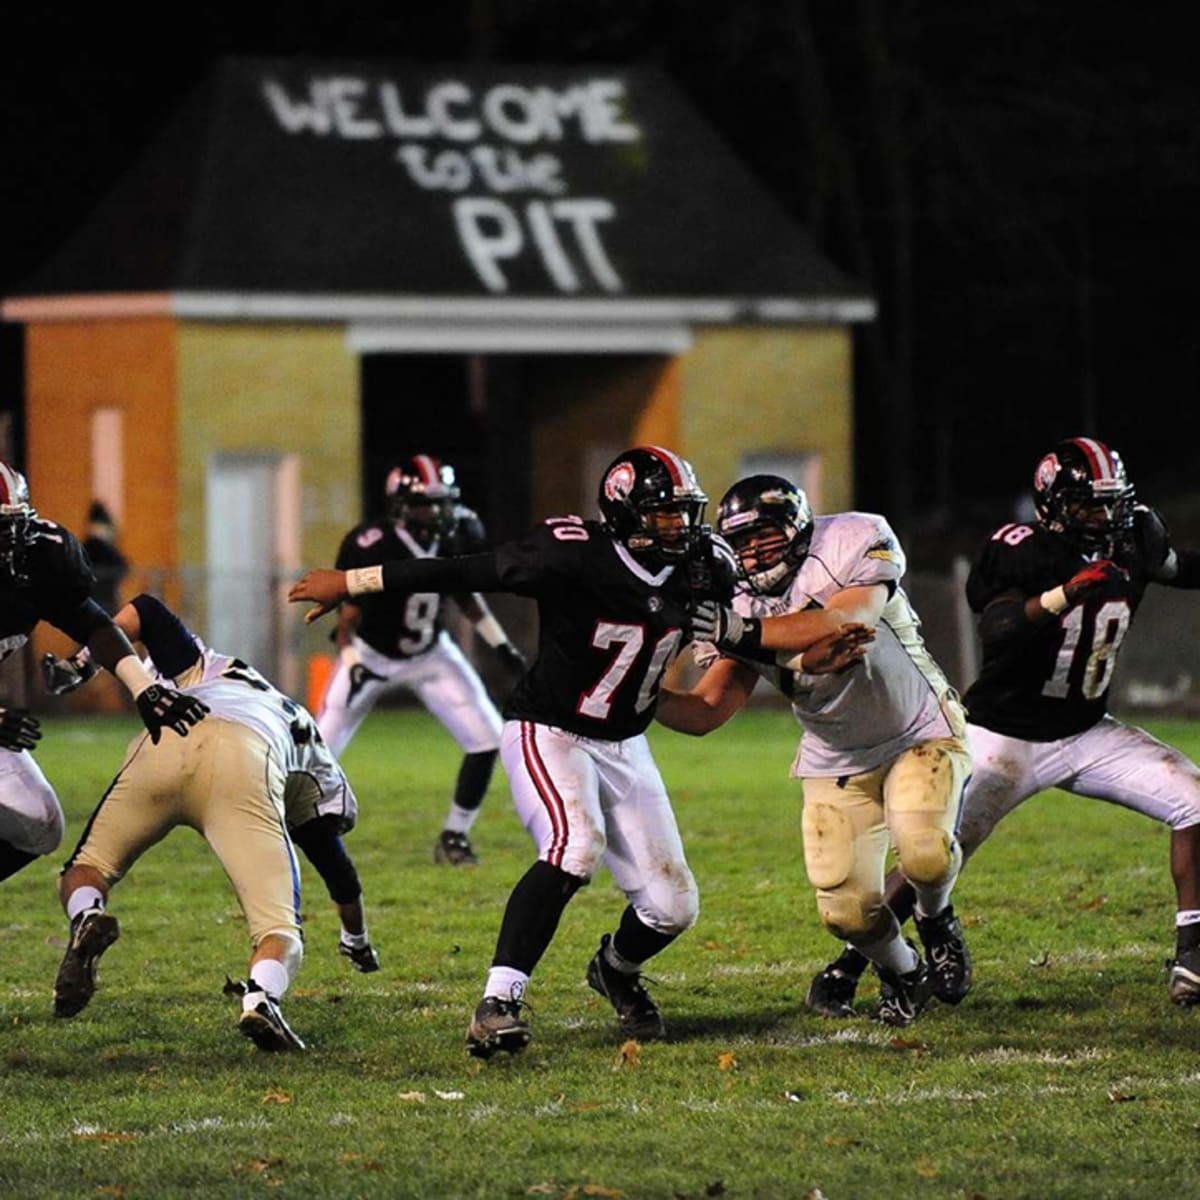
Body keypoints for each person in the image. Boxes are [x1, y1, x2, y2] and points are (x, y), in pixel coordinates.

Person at [290, 445, 734, 1057]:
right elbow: (463, 572)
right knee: (576, 845)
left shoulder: (706, 565)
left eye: (685, 514)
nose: (680, 528)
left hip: (625, 740)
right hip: (549, 728)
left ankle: (615, 970)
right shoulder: (573, 552)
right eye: (664, 515)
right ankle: (498, 1001)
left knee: (673, 905)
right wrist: (352, 582)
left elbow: (743, 641)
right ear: (627, 513)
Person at [805, 436, 1200, 1013]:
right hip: (1002, 734)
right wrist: (1065, 594)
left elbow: (1178, 568)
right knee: (932, 854)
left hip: (1088, 730)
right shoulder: (1022, 550)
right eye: (1089, 504)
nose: (1104, 515)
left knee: (1193, 800)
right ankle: (849, 968)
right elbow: (999, 629)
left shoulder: (1136, 534)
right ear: (1054, 506)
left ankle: (1193, 953)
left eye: (1111, 501)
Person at [657, 474, 973, 1027]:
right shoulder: (730, 594)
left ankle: (937, 917)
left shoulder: (855, 537)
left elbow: (845, 622)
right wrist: (640, 696)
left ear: (799, 527)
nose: (754, 550)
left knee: (923, 852)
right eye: (742, 540)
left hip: (919, 730)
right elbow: (708, 710)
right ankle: (906, 972)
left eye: (765, 534)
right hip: (835, 757)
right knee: (845, 912)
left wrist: (741, 630)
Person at [49, 591, 368, 1052]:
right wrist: (356, 939)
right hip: (246, 756)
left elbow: (145, 610)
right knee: (278, 929)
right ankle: (261, 997)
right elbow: (336, 866)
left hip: (165, 739)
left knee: (86, 868)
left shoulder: (196, 668)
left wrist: (81, 664)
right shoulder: (299, 730)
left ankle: (87, 914)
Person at [0, 461, 206, 885]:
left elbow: (93, 623)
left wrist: (142, 688)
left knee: (40, 824)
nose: (6, 548)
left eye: (10, 531)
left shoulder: (39, 560)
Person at [318, 455, 525, 867]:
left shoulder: (460, 531)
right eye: (424, 503)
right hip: (372, 654)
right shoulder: (371, 541)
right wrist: (351, 658)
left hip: (431, 651)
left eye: (441, 501)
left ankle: (455, 836)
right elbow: (347, 618)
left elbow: (466, 595)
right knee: (319, 748)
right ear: (400, 506)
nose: (436, 511)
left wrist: (501, 645)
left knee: (487, 737)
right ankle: (300, 825)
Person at [81, 500, 130, 614]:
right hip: (99, 600)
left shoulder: (87, 548)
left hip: (99, 601)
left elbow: (123, 566)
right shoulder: (92, 548)